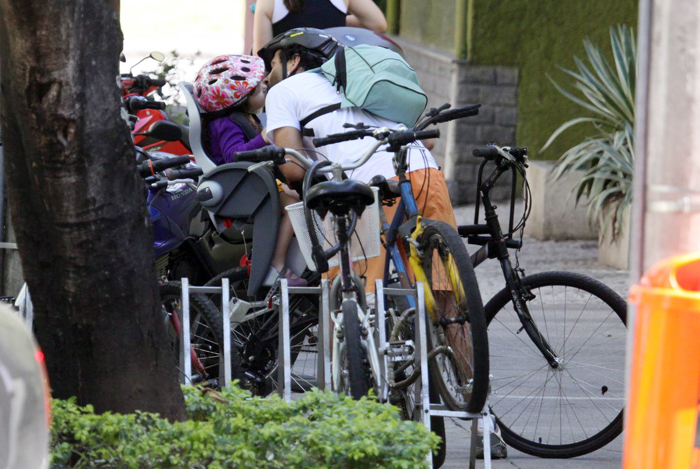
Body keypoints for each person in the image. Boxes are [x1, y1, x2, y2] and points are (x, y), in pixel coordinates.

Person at [258, 28, 458, 290]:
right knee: (444, 291)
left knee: (353, 293)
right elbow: (427, 141)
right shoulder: (354, 80)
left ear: (293, 60)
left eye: (272, 65)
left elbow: (294, 169)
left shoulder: (283, 90)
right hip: (423, 170)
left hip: (366, 187)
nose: (267, 76)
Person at [194, 54, 306, 286]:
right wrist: (266, 136)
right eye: (257, 90)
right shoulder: (225, 123)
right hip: (238, 189)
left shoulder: (244, 117)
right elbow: (235, 155)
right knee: (294, 207)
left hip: (251, 184)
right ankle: (276, 265)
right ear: (240, 101)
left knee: (298, 196)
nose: (265, 84)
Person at [253, 0, 388, 55]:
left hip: (289, 88)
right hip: (335, 85)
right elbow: (378, 24)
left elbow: (261, 57)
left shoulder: (267, 2)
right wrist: (336, 23)